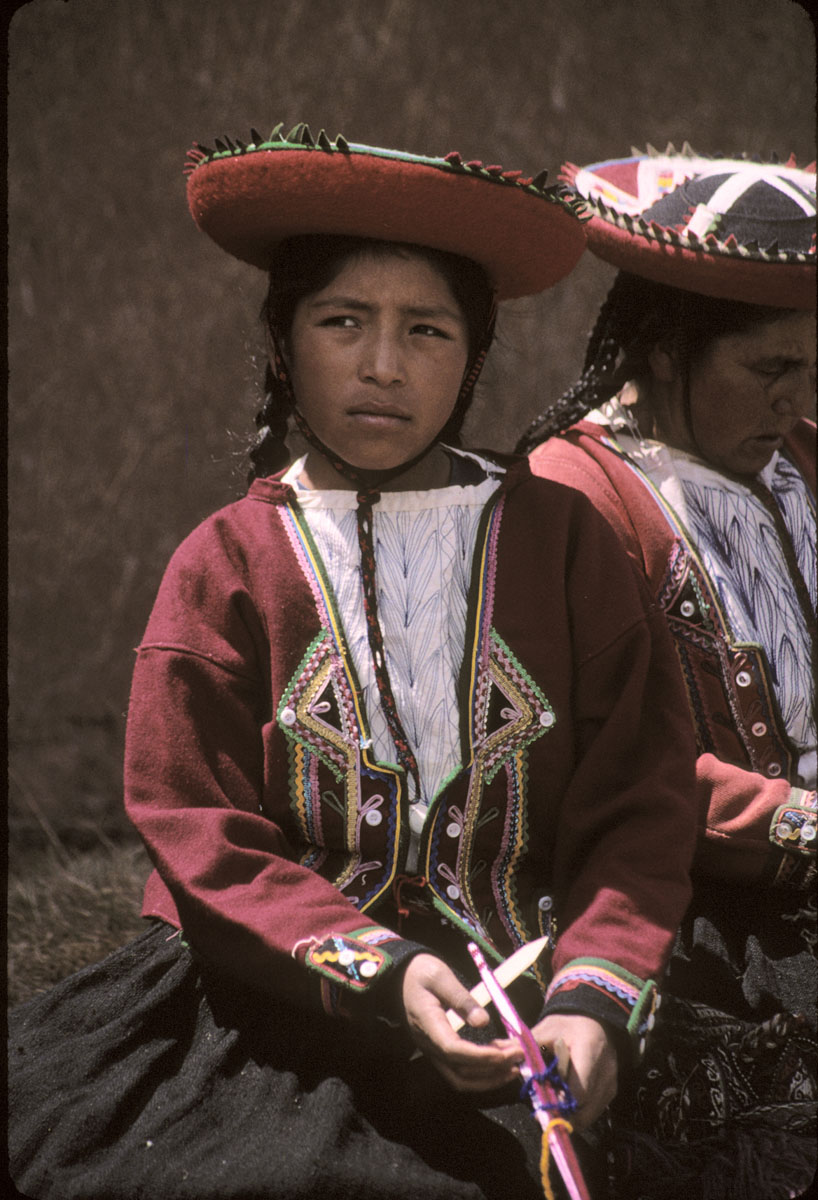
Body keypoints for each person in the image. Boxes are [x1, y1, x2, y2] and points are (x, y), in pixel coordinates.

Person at [9, 124, 699, 1200]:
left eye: (426, 329)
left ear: (473, 355)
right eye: (343, 322)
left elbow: (642, 800)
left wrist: (592, 1002)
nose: (383, 366)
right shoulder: (225, 564)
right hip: (272, 997)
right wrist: (386, 970)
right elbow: (195, 823)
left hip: (534, 988)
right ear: (283, 345)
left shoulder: (564, 545)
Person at [522, 148, 817, 1198]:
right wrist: (797, 824)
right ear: (661, 345)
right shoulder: (574, 496)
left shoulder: (799, 458)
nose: (795, 399)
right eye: (769, 369)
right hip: (706, 907)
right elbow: (603, 763)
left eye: (809, 367)